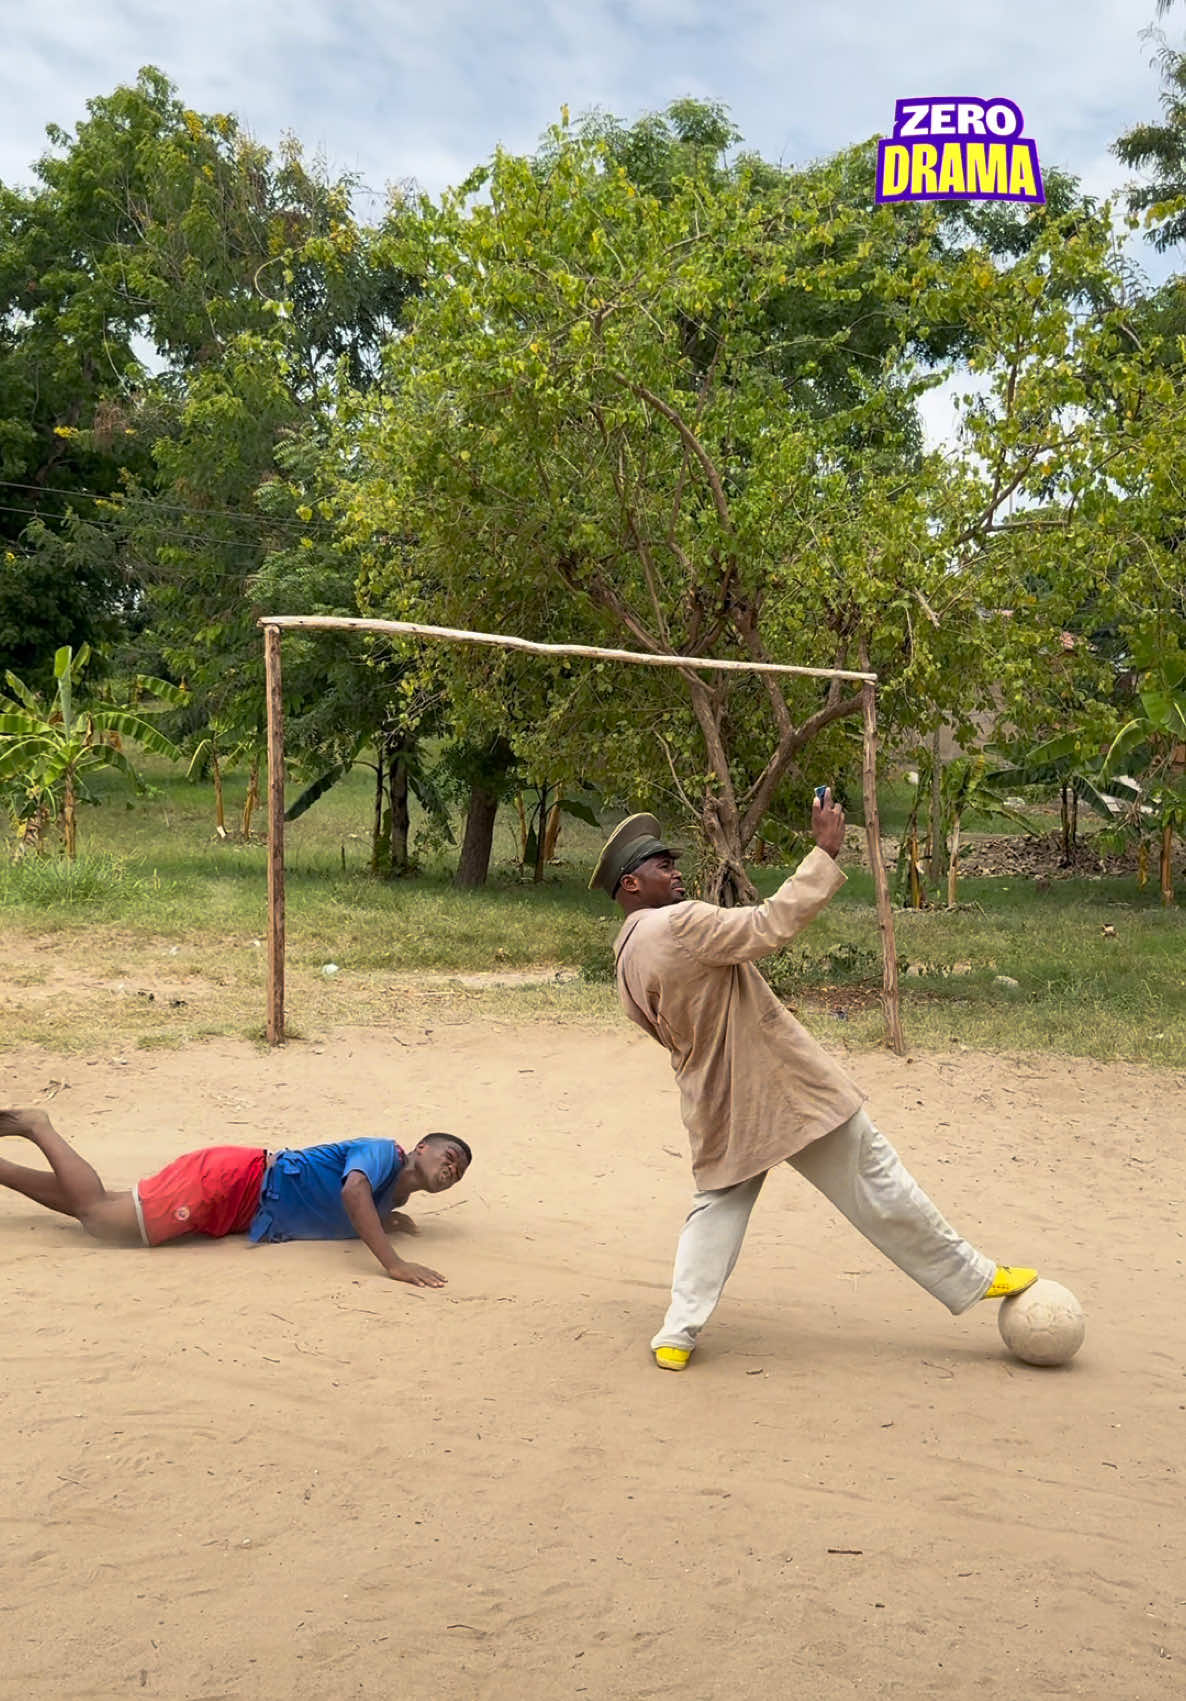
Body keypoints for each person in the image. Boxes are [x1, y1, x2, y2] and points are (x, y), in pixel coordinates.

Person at [589, 793, 1037, 1370]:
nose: (677, 874)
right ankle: (975, 1278)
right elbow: (767, 925)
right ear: (631, 885)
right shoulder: (681, 921)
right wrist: (824, 851)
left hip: (711, 1095)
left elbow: (658, 1028)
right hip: (781, 1085)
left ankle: (677, 1334)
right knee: (873, 1175)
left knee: (717, 1206)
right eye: (662, 867)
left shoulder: (625, 955)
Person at [0, 1108, 471, 1287]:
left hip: (239, 1201)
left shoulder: (393, 1198)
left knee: (110, 1209)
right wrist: (393, 1262)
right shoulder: (383, 1153)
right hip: (236, 1181)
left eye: (459, 1171)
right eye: (450, 1156)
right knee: (102, 1219)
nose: (452, 1169)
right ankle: (38, 1126)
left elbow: (352, 1203)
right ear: (421, 1147)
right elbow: (351, 1190)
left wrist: (388, 1219)